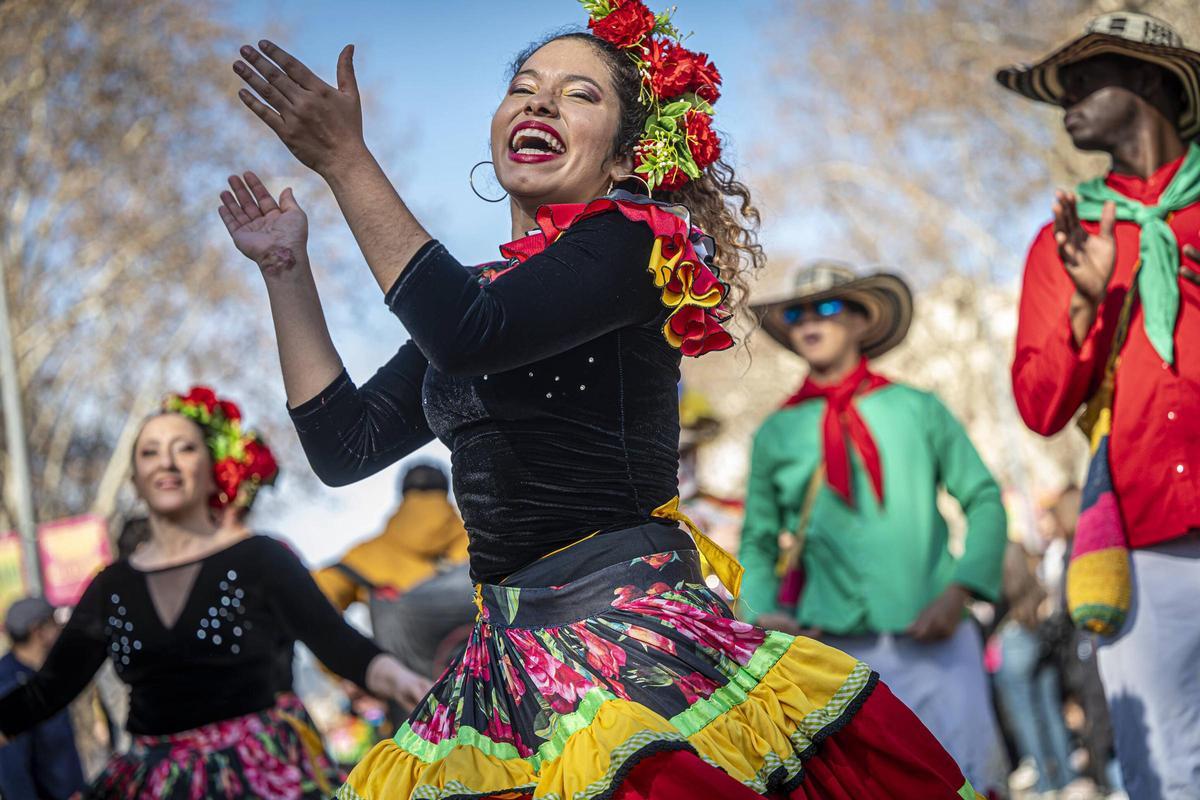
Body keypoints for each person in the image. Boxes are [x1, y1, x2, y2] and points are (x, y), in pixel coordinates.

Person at [221, 2, 984, 797]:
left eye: (580, 94)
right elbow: (346, 448)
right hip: (504, 662)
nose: (541, 101)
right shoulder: (480, 294)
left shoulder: (633, 242)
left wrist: (348, 161)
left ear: (623, 159)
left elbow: (468, 334)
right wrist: (286, 272)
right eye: (524, 85)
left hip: (632, 641)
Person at [0, 386, 429, 799]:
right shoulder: (111, 587)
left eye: (184, 448)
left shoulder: (261, 558)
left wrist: (406, 681)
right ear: (135, 478)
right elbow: (47, 691)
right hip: (154, 780)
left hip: (261, 774)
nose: (166, 462)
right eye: (150, 451)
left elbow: (342, 646)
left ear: (213, 469)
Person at [1000, 11, 1200, 798]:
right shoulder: (1066, 238)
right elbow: (1040, 407)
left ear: (1153, 81)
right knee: (1163, 771)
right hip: (1138, 538)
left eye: (1089, 75)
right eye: (1061, 83)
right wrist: (1085, 307)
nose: (1067, 96)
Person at [739, 261, 1010, 795]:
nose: (810, 320)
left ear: (863, 321)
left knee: (971, 780)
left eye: (830, 306)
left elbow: (983, 499)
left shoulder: (918, 409)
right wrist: (762, 616)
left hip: (935, 636)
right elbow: (758, 538)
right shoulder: (775, 432)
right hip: (831, 655)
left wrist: (959, 592)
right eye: (796, 312)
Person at [313, 462, 475, 679]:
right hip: (508, 686)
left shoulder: (368, 555)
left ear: (404, 493)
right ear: (446, 491)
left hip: (419, 700)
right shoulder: (478, 537)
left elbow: (312, 602)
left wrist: (358, 672)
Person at [0, 597, 86, 800]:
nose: (59, 629)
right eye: (53, 623)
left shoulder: (43, 674)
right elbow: (13, 774)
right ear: (37, 631)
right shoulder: (9, 687)